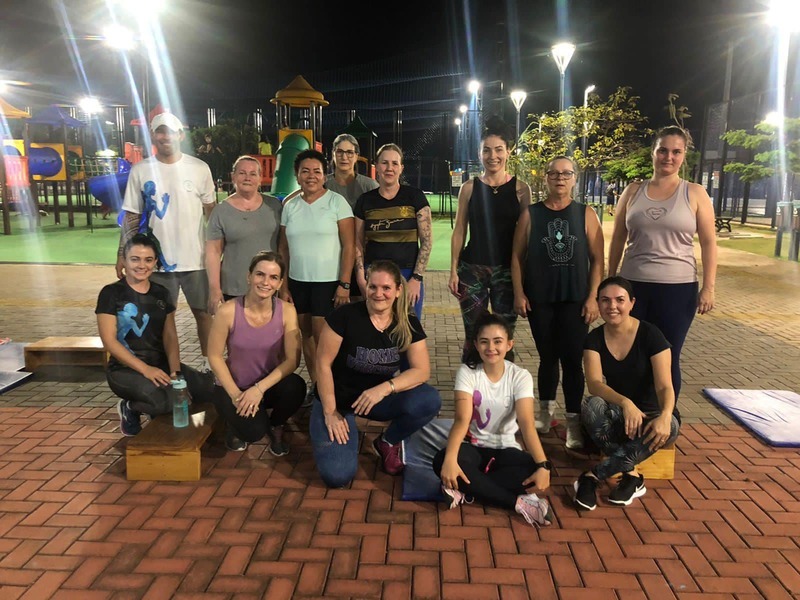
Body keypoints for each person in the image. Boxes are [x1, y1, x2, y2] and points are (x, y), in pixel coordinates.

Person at [608, 125, 717, 399]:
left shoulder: (695, 193)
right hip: (633, 287)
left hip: (677, 290)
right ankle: (629, 414)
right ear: (653, 152)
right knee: (630, 353)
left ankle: (666, 416)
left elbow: (708, 243)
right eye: (663, 150)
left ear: (684, 155)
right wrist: (611, 280)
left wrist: (709, 288)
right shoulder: (633, 191)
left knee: (667, 355)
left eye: (676, 152)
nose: (669, 157)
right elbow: (618, 238)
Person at [310, 260, 442, 488]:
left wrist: (384, 388)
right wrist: (330, 412)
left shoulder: (407, 321)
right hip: (338, 399)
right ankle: (333, 423)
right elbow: (323, 364)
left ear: (398, 290)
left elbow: (422, 371)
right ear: (366, 286)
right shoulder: (344, 316)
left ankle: (387, 442)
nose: (378, 294)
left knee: (429, 400)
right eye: (373, 287)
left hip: (374, 399)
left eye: (386, 288)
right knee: (337, 475)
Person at [511, 155, 604, 450]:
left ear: (574, 178)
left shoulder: (585, 213)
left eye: (566, 173)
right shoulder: (532, 214)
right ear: (546, 177)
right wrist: (519, 292)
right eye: (554, 173)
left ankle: (573, 421)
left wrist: (593, 297)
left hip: (576, 299)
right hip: (541, 298)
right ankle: (546, 413)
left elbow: (598, 259)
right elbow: (517, 257)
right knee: (547, 357)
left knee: (572, 360)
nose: (560, 178)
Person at [433, 313, 554, 528]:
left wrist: (543, 466)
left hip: (506, 450)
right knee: (442, 460)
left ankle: (467, 490)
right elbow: (462, 420)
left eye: (498, 341)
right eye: (484, 342)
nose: (491, 348)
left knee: (531, 469)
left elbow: (526, 423)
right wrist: (451, 460)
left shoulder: (520, 376)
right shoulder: (467, 373)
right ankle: (519, 504)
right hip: (474, 448)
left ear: (509, 344)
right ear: (476, 345)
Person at [116, 112, 216, 372]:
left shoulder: (199, 168)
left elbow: (212, 213)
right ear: (153, 135)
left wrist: (216, 253)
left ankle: (210, 367)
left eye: (171, 131)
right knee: (160, 318)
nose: (165, 137)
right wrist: (122, 253)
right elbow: (132, 215)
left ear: (180, 135)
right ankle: (164, 369)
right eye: (160, 131)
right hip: (156, 264)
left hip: (196, 260)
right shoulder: (141, 169)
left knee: (204, 314)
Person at [574, 276, 679, 510]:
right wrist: (626, 403)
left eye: (619, 300)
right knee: (591, 405)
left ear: (632, 303)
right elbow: (594, 384)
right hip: (619, 415)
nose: (612, 306)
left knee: (671, 424)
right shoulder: (593, 338)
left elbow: (665, 386)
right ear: (598, 304)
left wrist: (664, 415)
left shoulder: (652, 335)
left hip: (650, 418)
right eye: (605, 300)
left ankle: (592, 477)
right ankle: (632, 476)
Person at [97, 234, 213, 436]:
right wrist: (146, 370)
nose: (142, 265)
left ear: (155, 262)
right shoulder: (111, 293)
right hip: (125, 370)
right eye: (135, 259)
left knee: (209, 389)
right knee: (166, 402)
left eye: (148, 260)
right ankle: (130, 408)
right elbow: (109, 341)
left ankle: (161, 396)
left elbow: (170, 336)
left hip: (161, 366)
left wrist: (176, 373)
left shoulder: (161, 293)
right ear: (124, 260)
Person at [449, 116, 532, 362]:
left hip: (507, 271)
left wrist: (524, 278)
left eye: (498, 149)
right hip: (472, 269)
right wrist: (453, 270)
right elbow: (459, 230)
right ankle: (470, 382)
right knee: (474, 333)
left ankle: (503, 382)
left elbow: (526, 236)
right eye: (486, 150)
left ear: (508, 152)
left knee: (504, 334)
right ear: (479, 153)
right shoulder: (469, 188)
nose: (492, 156)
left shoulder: (521, 189)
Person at [207, 251, 305, 453]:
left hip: (266, 386)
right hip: (234, 386)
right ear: (249, 276)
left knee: (296, 387)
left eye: (273, 277)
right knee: (252, 432)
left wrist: (259, 390)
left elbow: (292, 360)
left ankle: (275, 423)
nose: (266, 282)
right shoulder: (228, 311)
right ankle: (233, 423)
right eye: (260, 274)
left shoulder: (287, 311)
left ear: (280, 283)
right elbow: (214, 356)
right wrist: (236, 395)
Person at [278, 149, 355, 399]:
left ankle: (332, 387)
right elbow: (283, 249)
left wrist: (344, 283)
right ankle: (317, 386)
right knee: (306, 335)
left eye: (316, 171)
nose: (311, 176)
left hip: (328, 282)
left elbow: (349, 247)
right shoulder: (290, 206)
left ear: (324, 175)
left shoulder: (337, 203)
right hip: (298, 282)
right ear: (297, 175)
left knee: (324, 338)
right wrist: (284, 285)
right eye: (305, 171)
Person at [354, 143, 432, 319]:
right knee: (376, 326)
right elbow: (357, 242)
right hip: (375, 276)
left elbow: (427, 241)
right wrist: (360, 277)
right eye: (384, 163)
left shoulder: (415, 197)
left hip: (407, 275)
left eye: (395, 163)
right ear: (376, 166)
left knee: (408, 328)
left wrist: (416, 278)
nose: (389, 168)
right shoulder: (365, 201)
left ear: (401, 168)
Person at [205, 156, 282, 314]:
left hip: (269, 286)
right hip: (234, 288)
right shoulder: (221, 211)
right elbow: (213, 252)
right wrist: (214, 289)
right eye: (242, 173)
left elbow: (284, 247)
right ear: (233, 176)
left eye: (253, 174)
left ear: (260, 178)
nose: (247, 178)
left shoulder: (275, 206)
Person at [325, 133, 379, 208]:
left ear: (356, 156)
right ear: (333, 154)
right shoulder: (322, 184)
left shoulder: (369, 186)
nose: (344, 157)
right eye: (340, 152)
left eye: (349, 152)